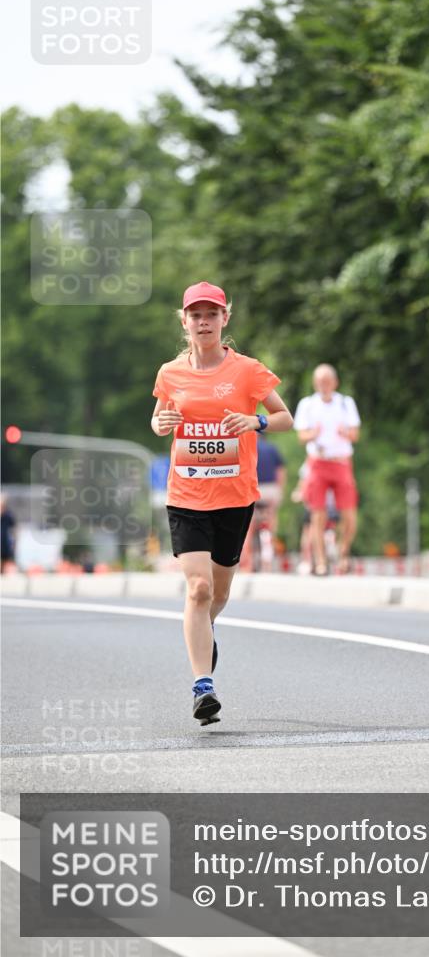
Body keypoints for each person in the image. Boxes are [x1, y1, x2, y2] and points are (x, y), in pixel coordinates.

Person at [150, 281, 293, 725]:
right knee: (199, 588)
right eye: (196, 315)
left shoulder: (248, 371)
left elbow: (287, 418)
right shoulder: (170, 373)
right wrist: (160, 423)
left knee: (221, 591)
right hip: (187, 496)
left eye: (212, 314)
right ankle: (202, 686)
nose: (204, 322)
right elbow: (158, 418)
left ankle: (203, 630)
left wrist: (256, 421)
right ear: (185, 321)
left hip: (234, 497)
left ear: (224, 319)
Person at [293, 364, 360, 575]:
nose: (324, 385)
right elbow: (301, 436)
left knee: (349, 515)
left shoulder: (345, 403)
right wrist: (313, 434)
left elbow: (356, 435)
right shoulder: (308, 404)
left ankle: (343, 551)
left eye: (327, 381)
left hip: (341, 462)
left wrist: (345, 432)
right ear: (315, 384)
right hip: (318, 462)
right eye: (320, 381)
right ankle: (321, 561)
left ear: (335, 382)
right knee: (317, 515)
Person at [239, 436, 286, 571]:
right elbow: (281, 471)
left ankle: (247, 563)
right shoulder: (272, 449)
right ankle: (270, 551)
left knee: (248, 525)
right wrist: (279, 491)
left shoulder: (247, 448)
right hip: (271, 490)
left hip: (253, 489)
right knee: (271, 520)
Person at [0, 495, 17, 573]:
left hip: (4, 544)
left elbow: (14, 529)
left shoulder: (8, 515)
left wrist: (14, 543)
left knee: (5, 562)